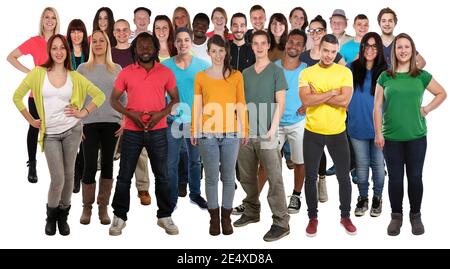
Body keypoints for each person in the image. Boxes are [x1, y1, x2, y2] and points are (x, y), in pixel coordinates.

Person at [12, 34, 105, 235]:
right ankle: (51, 216)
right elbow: (17, 97)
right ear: (49, 51)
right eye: (54, 48)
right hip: (51, 134)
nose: (58, 52)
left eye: (62, 48)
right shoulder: (38, 73)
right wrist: (30, 119)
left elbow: (99, 95)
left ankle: (63, 216)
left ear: (67, 51)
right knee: (58, 178)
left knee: (70, 176)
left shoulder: (75, 77)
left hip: (72, 130)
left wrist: (83, 112)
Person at [374, 33, 446, 236]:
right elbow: (377, 107)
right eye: (399, 47)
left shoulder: (421, 75)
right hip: (391, 138)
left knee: (415, 178)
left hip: (416, 137)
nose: (403, 50)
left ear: (413, 51)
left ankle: (416, 216)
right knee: (395, 179)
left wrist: (426, 109)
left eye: (407, 47)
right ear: (394, 52)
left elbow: (442, 93)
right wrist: (378, 132)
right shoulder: (385, 76)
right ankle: (396, 216)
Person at [109, 32, 180, 236]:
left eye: (149, 46)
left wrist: (161, 114)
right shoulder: (126, 73)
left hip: (158, 131)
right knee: (124, 176)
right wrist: (130, 114)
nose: (145, 50)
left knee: (163, 176)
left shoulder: (165, 72)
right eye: (141, 46)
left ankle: (165, 216)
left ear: (156, 49)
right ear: (135, 50)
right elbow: (113, 100)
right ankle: (119, 217)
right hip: (132, 131)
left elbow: (175, 99)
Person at [233, 30, 290, 242]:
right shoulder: (245, 73)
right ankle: (251, 211)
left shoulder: (276, 71)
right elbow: (239, 103)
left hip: (268, 133)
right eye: (255, 43)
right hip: (247, 134)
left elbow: (281, 103)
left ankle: (281, 222)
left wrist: (272, 129)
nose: (258, 47)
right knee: (247, 176)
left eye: (262, 43)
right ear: (252, 46)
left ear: (268, 45)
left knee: (274, 178)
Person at [299, 34, 356, 237]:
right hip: (312, 132)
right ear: (319, 49)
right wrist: (332, 92)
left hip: (337, 132)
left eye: (333, 51)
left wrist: (319, 96)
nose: (329, 55)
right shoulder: (307, 72)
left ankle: (345, 216)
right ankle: (313, 218)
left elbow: (345, 102)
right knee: (311, 177)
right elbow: (306, 100)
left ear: (336, 51)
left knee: (343, 177)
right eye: (326, 50)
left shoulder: (344, 72)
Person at [191, 35, 248, 236]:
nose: (217, 55)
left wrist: (245, 129)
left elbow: (241, 103)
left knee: (229, 177)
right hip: (208, 134)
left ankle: (226, 217)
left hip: (231, 133)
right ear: (208, 52)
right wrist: (194, 130)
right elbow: (197, 105)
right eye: (213, 51)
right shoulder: (201, 77)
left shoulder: (236, 76)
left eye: (221, 51)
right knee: (211, 178)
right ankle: (214, 219)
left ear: (226, 52)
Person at [7, 7, 60, 184]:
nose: (50, 20)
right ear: (42, 20)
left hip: (58, 93)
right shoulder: (34, 41)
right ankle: (32, 164)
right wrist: (30, 73)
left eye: (53, 17)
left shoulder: (61, 40)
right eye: (47, 17)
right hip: (36, 94)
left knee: (61, 129)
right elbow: (11, 57)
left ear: (56, 21)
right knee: (34, 127)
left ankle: (65, 168)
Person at [77, 30, 122, 226]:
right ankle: (87, 207)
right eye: (94, 41)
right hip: (88, 123)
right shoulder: (82, 69)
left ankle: (103, 207)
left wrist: (123, 120)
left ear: (107, 44)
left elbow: (123, 96)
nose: (97, 44)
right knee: (88, 165)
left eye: (101, 41)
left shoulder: (117, 68)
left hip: (112, 123)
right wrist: (77, 123)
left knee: (108, 164)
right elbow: (75, 97)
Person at [300, 15, 345, 203]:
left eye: (319, 30)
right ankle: (315, 180)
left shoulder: (338, 58)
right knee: (313, 151)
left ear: (325, 33)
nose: (315, 33)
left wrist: (316, 96)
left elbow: (341, 91)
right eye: (312, 30)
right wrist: (322, 94)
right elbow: (301, 88)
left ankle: (322, 179)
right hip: (303, 111)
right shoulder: (303, 56)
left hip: (330, 114)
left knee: (325, 146)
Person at [162, 28, 209, 210]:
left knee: (195, 161)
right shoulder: (166, 66)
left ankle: (195, 194)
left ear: (191, 43)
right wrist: (166, 111)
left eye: (186, 40)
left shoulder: (202, 66)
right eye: (179, 40)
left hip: (195, 121)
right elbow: (159, 92)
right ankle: (172, 198)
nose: (182, 43)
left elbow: (208, 93)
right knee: (171, 162)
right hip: (172, 122)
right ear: (174, 43)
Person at [347, 32, 387, 217]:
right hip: (357, 126)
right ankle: (363, 198)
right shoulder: (351, 68)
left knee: (378, 165)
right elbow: (340, 90)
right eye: (366, 45)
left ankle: (377, 198)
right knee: (361, 166)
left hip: (380, 129)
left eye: (374, 46)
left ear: (379, 49)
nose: (370, 49)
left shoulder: (387, 71)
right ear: (361, 48)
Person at [274, 29, 308, 214]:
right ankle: (252, 199)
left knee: (299, 161)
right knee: (267, 160)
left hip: (298, 122)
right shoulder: (274, 67)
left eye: (298, 43)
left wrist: (308, 105)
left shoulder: (306, 70)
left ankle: (296, 195)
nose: (293, 46)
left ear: (303, 48)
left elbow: (314, 93)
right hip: (276, 122)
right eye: (291, 42)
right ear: (286, 43)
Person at [66, 18, 89, 194]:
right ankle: (74, 176)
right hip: (69, 100)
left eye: (79, 31)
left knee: (85, 139)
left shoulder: (90, 53)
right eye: (73, 31)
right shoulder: (64, 52)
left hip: (88, 100)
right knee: (73, 139)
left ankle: (82, 173)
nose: (76, 34)